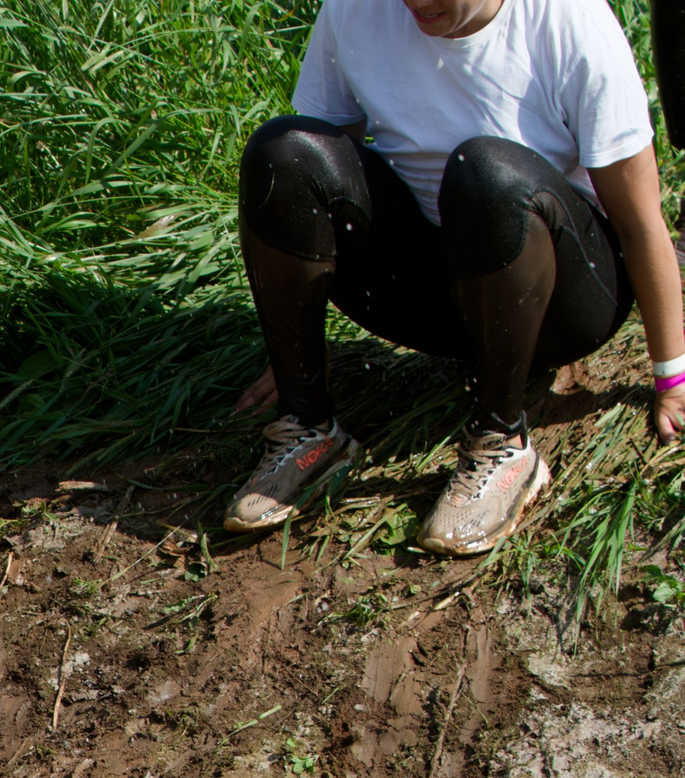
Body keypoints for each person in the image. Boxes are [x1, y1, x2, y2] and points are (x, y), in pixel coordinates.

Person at [227, 0, 685, 555]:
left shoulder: (572, 22)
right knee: (282, 151)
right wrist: (296, 337)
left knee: (484, 169)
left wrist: (671, 379)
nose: (418, 3)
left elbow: (641, 225)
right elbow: (318, 177)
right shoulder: (357, 9)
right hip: (436, 292)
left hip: (561, 300)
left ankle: (502, 442)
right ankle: (308, 431)